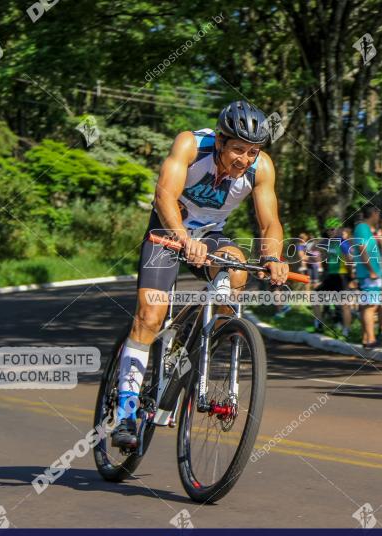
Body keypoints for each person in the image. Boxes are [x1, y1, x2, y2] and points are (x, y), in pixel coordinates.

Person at [113, 100, 289, 449]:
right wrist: (181, 237)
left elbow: (270, 222)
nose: (244, 159)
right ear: (221, 141)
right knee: (150, 314)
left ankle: (194, 347)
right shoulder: (191, 145)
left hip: (210, 235)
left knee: (236, 270)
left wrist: (273, 257)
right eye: (238, 149)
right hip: (168, 229)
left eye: (252, 151)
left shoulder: (261, 167)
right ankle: (125, 412)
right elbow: (164, 195)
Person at [313, 218, 353, 337]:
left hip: (342, 276)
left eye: (332, 229)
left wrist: (351, 276)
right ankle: (319, 324)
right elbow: (326, 259)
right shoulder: (330, 242)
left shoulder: (343, 242)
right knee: (315, 295)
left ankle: (346, 330)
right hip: (331, 275)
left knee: (344, 303)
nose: (330, 232)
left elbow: (349, 260)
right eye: (328, 230)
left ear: (339, 229)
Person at [352, 205, 382, 348]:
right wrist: (371, 270)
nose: (379, 217)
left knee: (367, 306)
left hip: (369, 274)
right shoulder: (363, 228)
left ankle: (366, 338)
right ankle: (371, 339)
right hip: (368, 274)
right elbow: (362, 250)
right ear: (374, 213)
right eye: (379, 214)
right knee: (370, 306)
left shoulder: (364, 229)